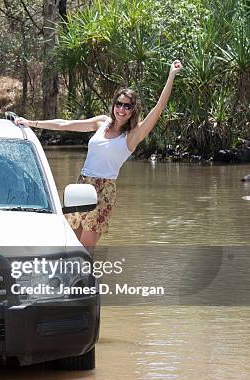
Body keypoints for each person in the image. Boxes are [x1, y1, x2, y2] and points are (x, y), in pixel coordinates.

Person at [15, 60, 183, 253]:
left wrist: (171, 75)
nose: (121, 109)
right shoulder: (101, 123)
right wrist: (31, 122)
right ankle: (67, 281)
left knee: (86, 248)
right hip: (81, 185)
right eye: (118, 104)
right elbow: (65, 125)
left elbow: (159, 108)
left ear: (132, 110)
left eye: (127, 106)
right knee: (69, 243)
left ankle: (86, 281)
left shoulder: (133, 135)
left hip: (104, 190)